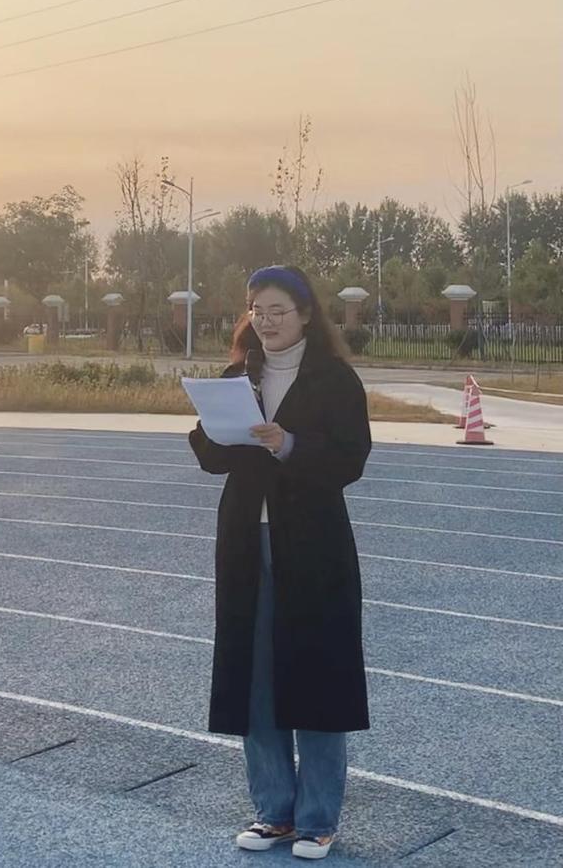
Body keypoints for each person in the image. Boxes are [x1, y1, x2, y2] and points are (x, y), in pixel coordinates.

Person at [188, 264, 372, 861]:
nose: (265, 322)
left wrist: (287, 444)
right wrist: (215, 428)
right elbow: (211, 457)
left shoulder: (334, 379)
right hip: (247, 542)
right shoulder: (239, 375)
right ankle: (274, 813)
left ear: (305, 314)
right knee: (256, 681)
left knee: (315, 674)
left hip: (313, 547)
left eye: (277, 311)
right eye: (256, 311)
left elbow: (350, 459)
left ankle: (317, 819)